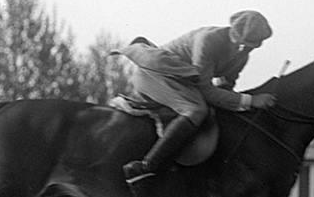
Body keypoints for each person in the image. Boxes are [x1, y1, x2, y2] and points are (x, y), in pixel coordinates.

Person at [118, 10, 277, 184]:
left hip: (184, 81)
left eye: (255, 44)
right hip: (155, 74)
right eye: (250, 43)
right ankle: (145, 167)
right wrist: (251, 101)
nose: (251, 48)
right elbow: (206, 90)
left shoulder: (242, 54)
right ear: (237, 34)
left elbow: (227, 84)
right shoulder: (208, 40)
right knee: (196, 109)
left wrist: (233, 98)